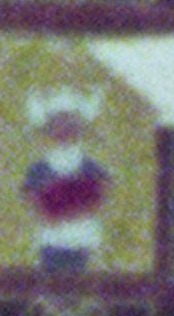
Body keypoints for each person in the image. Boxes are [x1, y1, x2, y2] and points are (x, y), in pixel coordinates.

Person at [15, 84, 114, 272]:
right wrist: (49, 210)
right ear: (48, 129)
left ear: (80, 128)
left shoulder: (90, 166)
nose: (64, 130)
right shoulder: (40, 168)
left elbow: (102, 191)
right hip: (51, 238)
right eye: (58, 124)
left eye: (70, 124)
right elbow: (31, 196)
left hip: (83, 237)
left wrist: (76, 209)